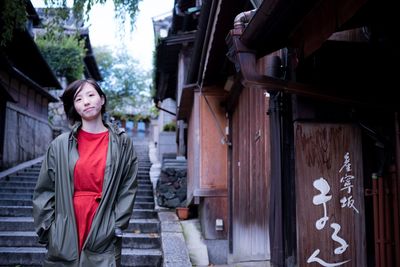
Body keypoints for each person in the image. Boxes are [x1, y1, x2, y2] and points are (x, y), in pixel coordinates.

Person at [32, 78, 138, 266]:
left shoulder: (122, 142)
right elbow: (45, 190)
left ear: (102, 99)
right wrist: (49, 229)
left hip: (103, 220)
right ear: (74, 106)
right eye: (78, 99)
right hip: (67, 222)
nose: (86, 102)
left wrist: (116, 224)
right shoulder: (60, 145)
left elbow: (127, 186)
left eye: (91, 95)